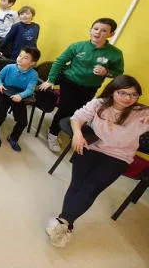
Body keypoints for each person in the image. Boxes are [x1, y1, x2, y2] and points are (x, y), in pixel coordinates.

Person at [46, 75, 149, 248]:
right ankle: (66, 224)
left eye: (134, 95)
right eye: (123, 93)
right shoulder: (99, 104)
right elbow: (76, 118)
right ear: (113, 91)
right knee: (77, 184)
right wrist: (77, 134)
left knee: (90, 188)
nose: (128, 98)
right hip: (91, 146)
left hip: (119, 156)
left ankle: (63, 221)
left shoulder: (143, 113)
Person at [40, 18, 124, 153]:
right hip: (70, 82)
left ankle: (72, 131)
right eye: (96, 29)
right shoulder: (77, 46)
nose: (98, 33)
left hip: (91, 87)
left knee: (80, 112)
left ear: (111, 34)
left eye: (104, 31)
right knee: (65, 109)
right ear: (90, 30)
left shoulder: (115, 53)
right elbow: (59, 62)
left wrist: (107, 71)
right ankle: (53, 133)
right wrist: (51, 79)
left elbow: (118, 72)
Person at [0, 47, 41, 150]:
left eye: (25, 58)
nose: (20, 58)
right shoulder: (9, 67)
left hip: (19, 96)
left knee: (22, 121)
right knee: (0, 115)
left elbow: (30, 90)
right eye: (20, 55)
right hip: (4, 93)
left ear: (32, 63)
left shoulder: (34, 74)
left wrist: (21, 96)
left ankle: (13, 138)